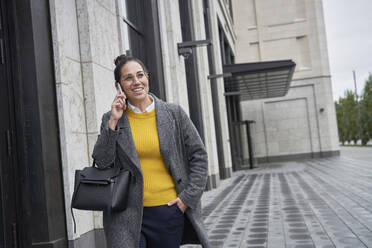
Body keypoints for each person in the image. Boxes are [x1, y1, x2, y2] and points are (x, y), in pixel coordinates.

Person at [92, 54, 210, 248]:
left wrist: (186, 199)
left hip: (168, 210)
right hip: (125, 214)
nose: (136, 82)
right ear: (119, 85)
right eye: (128, 78)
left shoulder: (174, 114)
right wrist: (113, 122)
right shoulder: (112, 118)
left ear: (148, 78)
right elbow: (102, 161)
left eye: (140, 75)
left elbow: (199, 156)